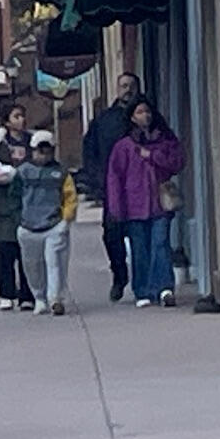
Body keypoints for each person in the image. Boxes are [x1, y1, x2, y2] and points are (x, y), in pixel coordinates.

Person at [105, 98, 185, 308]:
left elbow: (177, 163)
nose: (145, 116)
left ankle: (165, 288)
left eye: (147, 111)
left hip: (160, 203)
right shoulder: (124, 147)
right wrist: (116, 207)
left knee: (160, 244)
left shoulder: (164, 140)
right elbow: (115, 178)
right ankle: (143, 289)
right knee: (139, 248)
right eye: (140, 112)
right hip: (134, 205)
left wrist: (152, 156)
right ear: (132, 117)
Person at [82, 71, 141, 301]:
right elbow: (90, 151)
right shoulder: (104, 120)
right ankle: (119, 275)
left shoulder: (147, 115)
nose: (127, 89)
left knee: (141, 235)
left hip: (141, 187)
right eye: (124, 85)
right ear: (117, 89)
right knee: (112, 235)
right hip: (112, 188)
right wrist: (96, 180)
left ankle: (144, 282)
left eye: (131, 85)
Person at [15, 131, 76, 315]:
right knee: (32, 265)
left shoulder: (61, 173)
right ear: (32, 151)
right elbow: (13, 196)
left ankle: (55, 299)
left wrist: (66, 218)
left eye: (47, 151)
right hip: (28, 226)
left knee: (54, 262)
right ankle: (39, 297)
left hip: (54, 224)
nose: (43, 155)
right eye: (39, 151)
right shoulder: (23, 172)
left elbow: (70, 196)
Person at [0, 127, 35, 312]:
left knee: (26, 253)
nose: (21, 120)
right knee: (5, 251)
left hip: (26, 203)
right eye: (16, 116)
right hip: (4, 205)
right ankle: (6, 294)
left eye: (22, 116)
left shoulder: (31, 141)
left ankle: (27, 295)